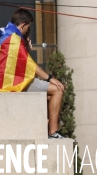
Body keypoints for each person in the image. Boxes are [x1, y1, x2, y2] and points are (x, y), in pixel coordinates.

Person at [7, 9, 66, 139]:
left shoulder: (7, 34)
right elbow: (29, 64)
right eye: (28, 27)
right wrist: (51, 78)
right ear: (23, 25)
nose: (28, 30)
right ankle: (53, 131)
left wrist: (26, 48)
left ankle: (48, 128)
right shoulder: (14, 39)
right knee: (57, 90)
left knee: (51, 97)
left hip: (14, 80)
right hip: (16, 82)